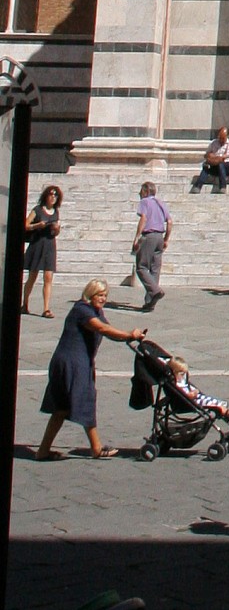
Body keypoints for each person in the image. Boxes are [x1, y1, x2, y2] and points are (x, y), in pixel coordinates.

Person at [37, 280, 146, 459]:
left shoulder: (95, 311)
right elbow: (102, 328)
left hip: (72, 362)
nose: (103, 299)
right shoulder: (82, 310)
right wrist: (129, 334)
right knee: (85, 400)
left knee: (61, 408)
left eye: (105, 295)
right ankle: (96, 448)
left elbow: (108, 330)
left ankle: (43, 451)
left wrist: (131, 337)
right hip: (72, 364)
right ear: (90, 294)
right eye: (100, 295)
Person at [129, 182, 170, 313]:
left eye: (141, 191)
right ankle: (150, 301)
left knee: (141, 267)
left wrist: (136, 237)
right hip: (159, 237)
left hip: (149, 236)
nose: (139, 194)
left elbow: (144, 218)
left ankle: (155, 291)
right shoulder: (161, 203)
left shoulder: (145, 202)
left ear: (146, 192)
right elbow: (170, 222)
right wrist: (166, 239)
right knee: (155, 269)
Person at [22, 184, 62, 316]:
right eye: (51, 194)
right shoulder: (38, 210)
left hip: (50, 245)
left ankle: (46, 308)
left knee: (48, 277)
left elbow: (56, 232)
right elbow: (26, 225)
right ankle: (25, 303)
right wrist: (38, 225)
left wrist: (56, 229)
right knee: (32, 276)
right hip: (37, 244)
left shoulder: (56, 212)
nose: (53, 197)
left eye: (56, 195)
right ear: (46, 196)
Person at [192, 127, 229, 193]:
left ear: (227, 136)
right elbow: (206, 155)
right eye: (220, 137)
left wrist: (228, 156)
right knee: (206, 166)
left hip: (226, 166)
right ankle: (198, 186)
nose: (221, 140)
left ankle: (222, 186)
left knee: (221, 164)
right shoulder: (214, 143)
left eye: (223, 138)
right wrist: (217, 156)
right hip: (215, 165)